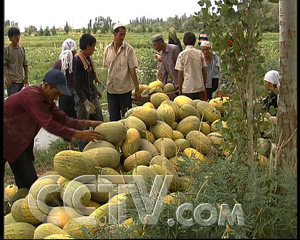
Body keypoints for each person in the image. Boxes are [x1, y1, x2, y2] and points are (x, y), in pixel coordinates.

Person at [4, 69, 103, 189]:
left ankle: (22, 202)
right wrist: (80, 135)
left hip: (16, 142)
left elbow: (64, 119)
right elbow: (49, 124)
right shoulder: (31, 96)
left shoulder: (47, 100)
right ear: (46, 86)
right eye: (56, 93)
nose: (56, 98)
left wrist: (89, 122)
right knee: (30, 181)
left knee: (27, 181)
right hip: (9, 139)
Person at [103, 23, 141, 121]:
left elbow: (132, 70)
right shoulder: (107, 49)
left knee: (127, 118)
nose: (123, 37)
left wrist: (137, 88)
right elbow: (107, 67)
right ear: (114, 34)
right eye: (121, 35)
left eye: (124, 35)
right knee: (114, 119)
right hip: (111, 90)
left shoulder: (129, 50)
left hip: (124, 90)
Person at [73, 34, 104, 151]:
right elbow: (76, 84)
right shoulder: (77, 61)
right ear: (87, 47)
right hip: (82, 99)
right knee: (84, 127)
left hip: (91, 96)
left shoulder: (88, 60)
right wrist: (85, 102)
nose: (94, 49)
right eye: (93, 46)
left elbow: (89, 79)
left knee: (99, 122)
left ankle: (101, 148)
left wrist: (96, 90)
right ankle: (84, 152)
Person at [53, 38, 78, 149]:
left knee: (65, 119)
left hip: (63, 95)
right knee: (75, 117)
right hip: (75, 94)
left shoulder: (58, 63)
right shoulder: (76, 61)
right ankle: (80, 139)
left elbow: (54, 79)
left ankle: (69, 143)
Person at [175, 32, 207, 100]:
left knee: (188, 109)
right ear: (195, 42)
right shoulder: (200, 53)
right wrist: (203, 86)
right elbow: (204, 71)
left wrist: (180, 90)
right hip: (199, 88)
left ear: (183, 42)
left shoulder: (182, 55)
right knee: (200, 109)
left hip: (187, 89)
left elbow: (180, 75)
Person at [4, 27, 29, 96]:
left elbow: (25, 64)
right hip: (12, 81)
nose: (17, 37)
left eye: (18, 35)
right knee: (12, 102)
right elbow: (4, 65)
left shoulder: (22, 49)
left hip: (21, 81)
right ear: (10, 38)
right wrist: (7, 78)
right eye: (15, 36)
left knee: (21, 101)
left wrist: (26, 77)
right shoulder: (6, 50)